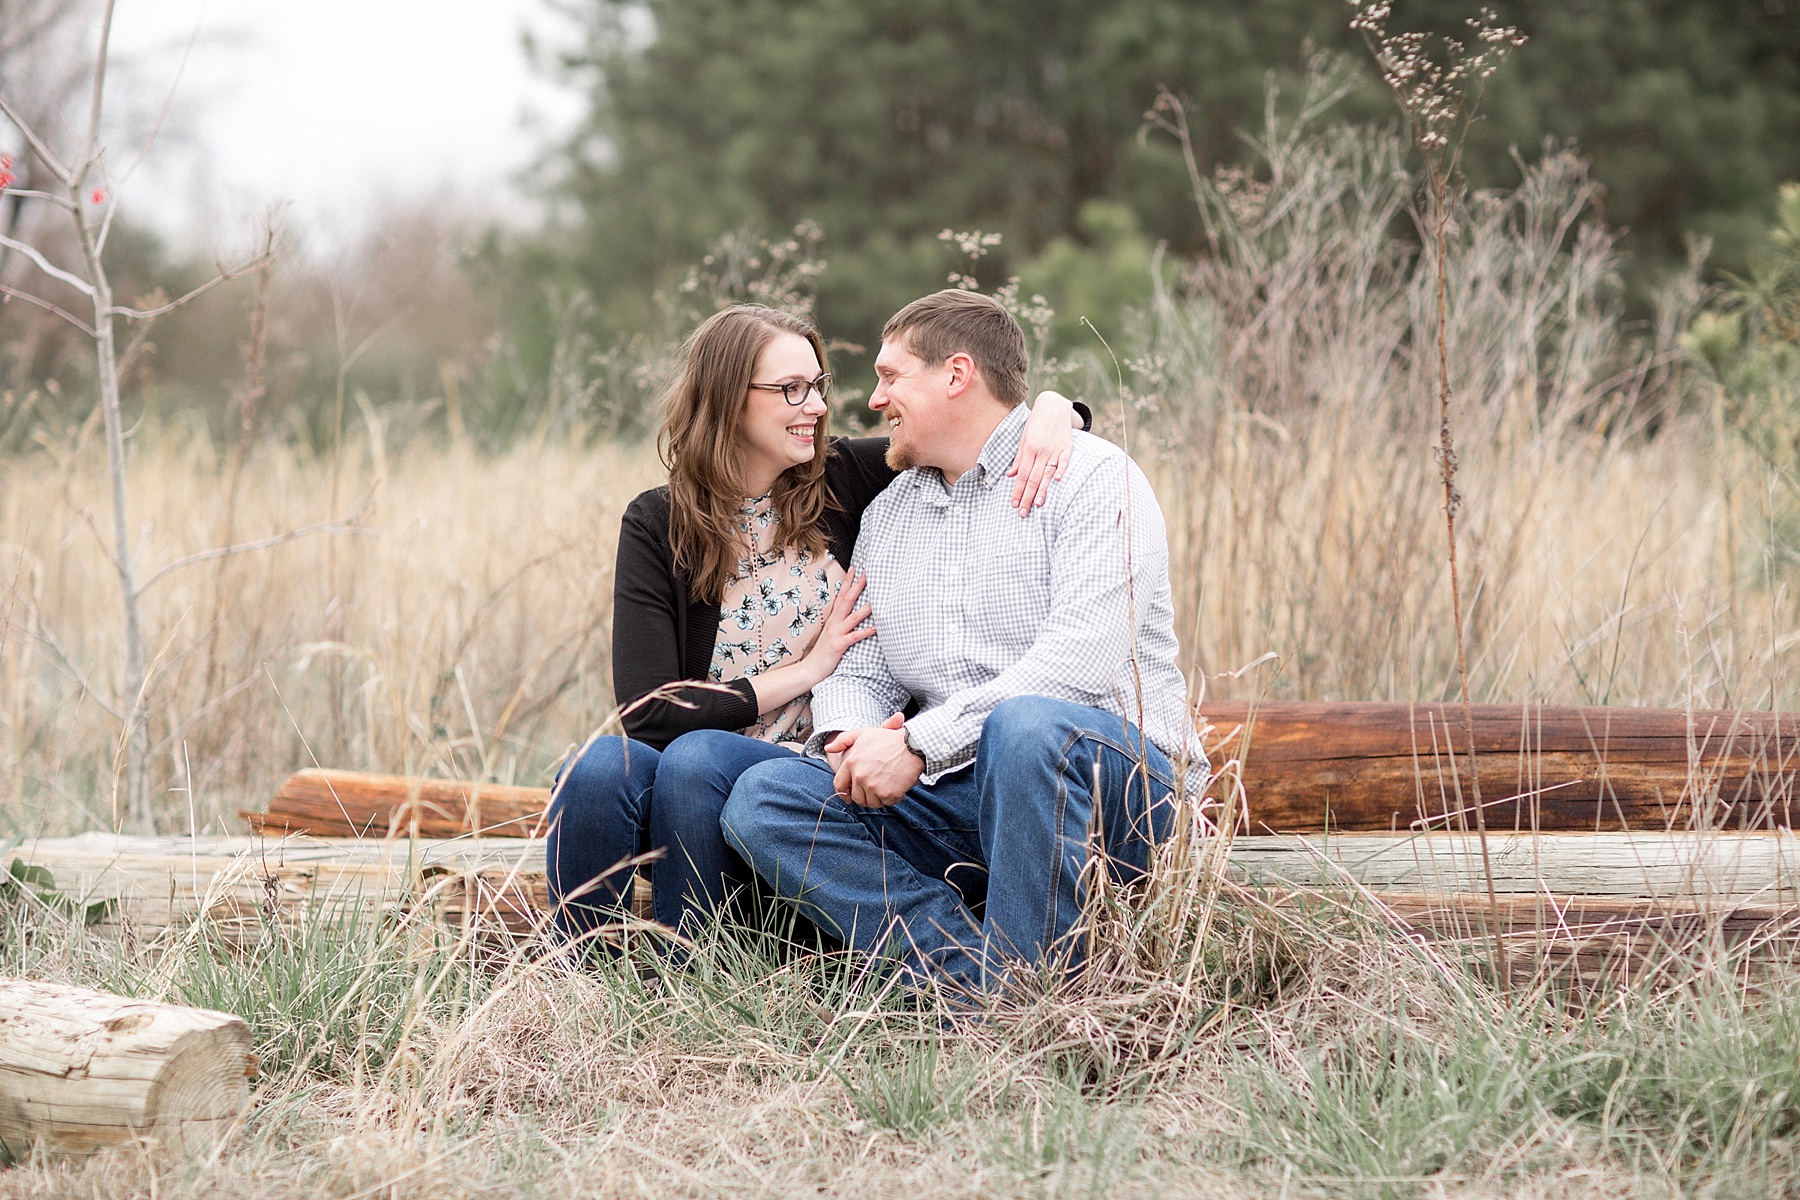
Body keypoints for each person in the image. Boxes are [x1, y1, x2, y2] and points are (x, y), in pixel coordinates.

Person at [545, 303, 1088, 945]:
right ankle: (581, 980)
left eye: (818, 385)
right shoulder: (658, 523)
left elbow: (973, 424)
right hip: (698, 761)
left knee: (696, 759)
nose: (816, 406)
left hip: (813, 763)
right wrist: (804, 671)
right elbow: (647, 710)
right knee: (597, 765)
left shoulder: (845, 479)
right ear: (726, 401)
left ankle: (707, 972)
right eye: (791, 389)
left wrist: (1058, 410)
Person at [720, 289, 1207, 993]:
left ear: (956, 375)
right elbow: (861, 665)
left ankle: (1037, 999)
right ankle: (976, 983)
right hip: (962, 796)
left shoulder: (1094, 480)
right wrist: (858, 745)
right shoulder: (891, 516)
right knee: (766, 797)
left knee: (1028, 728)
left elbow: (1076, 666)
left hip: (1119, 794)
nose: (874, 401)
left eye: (891, 377)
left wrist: (920, 744)